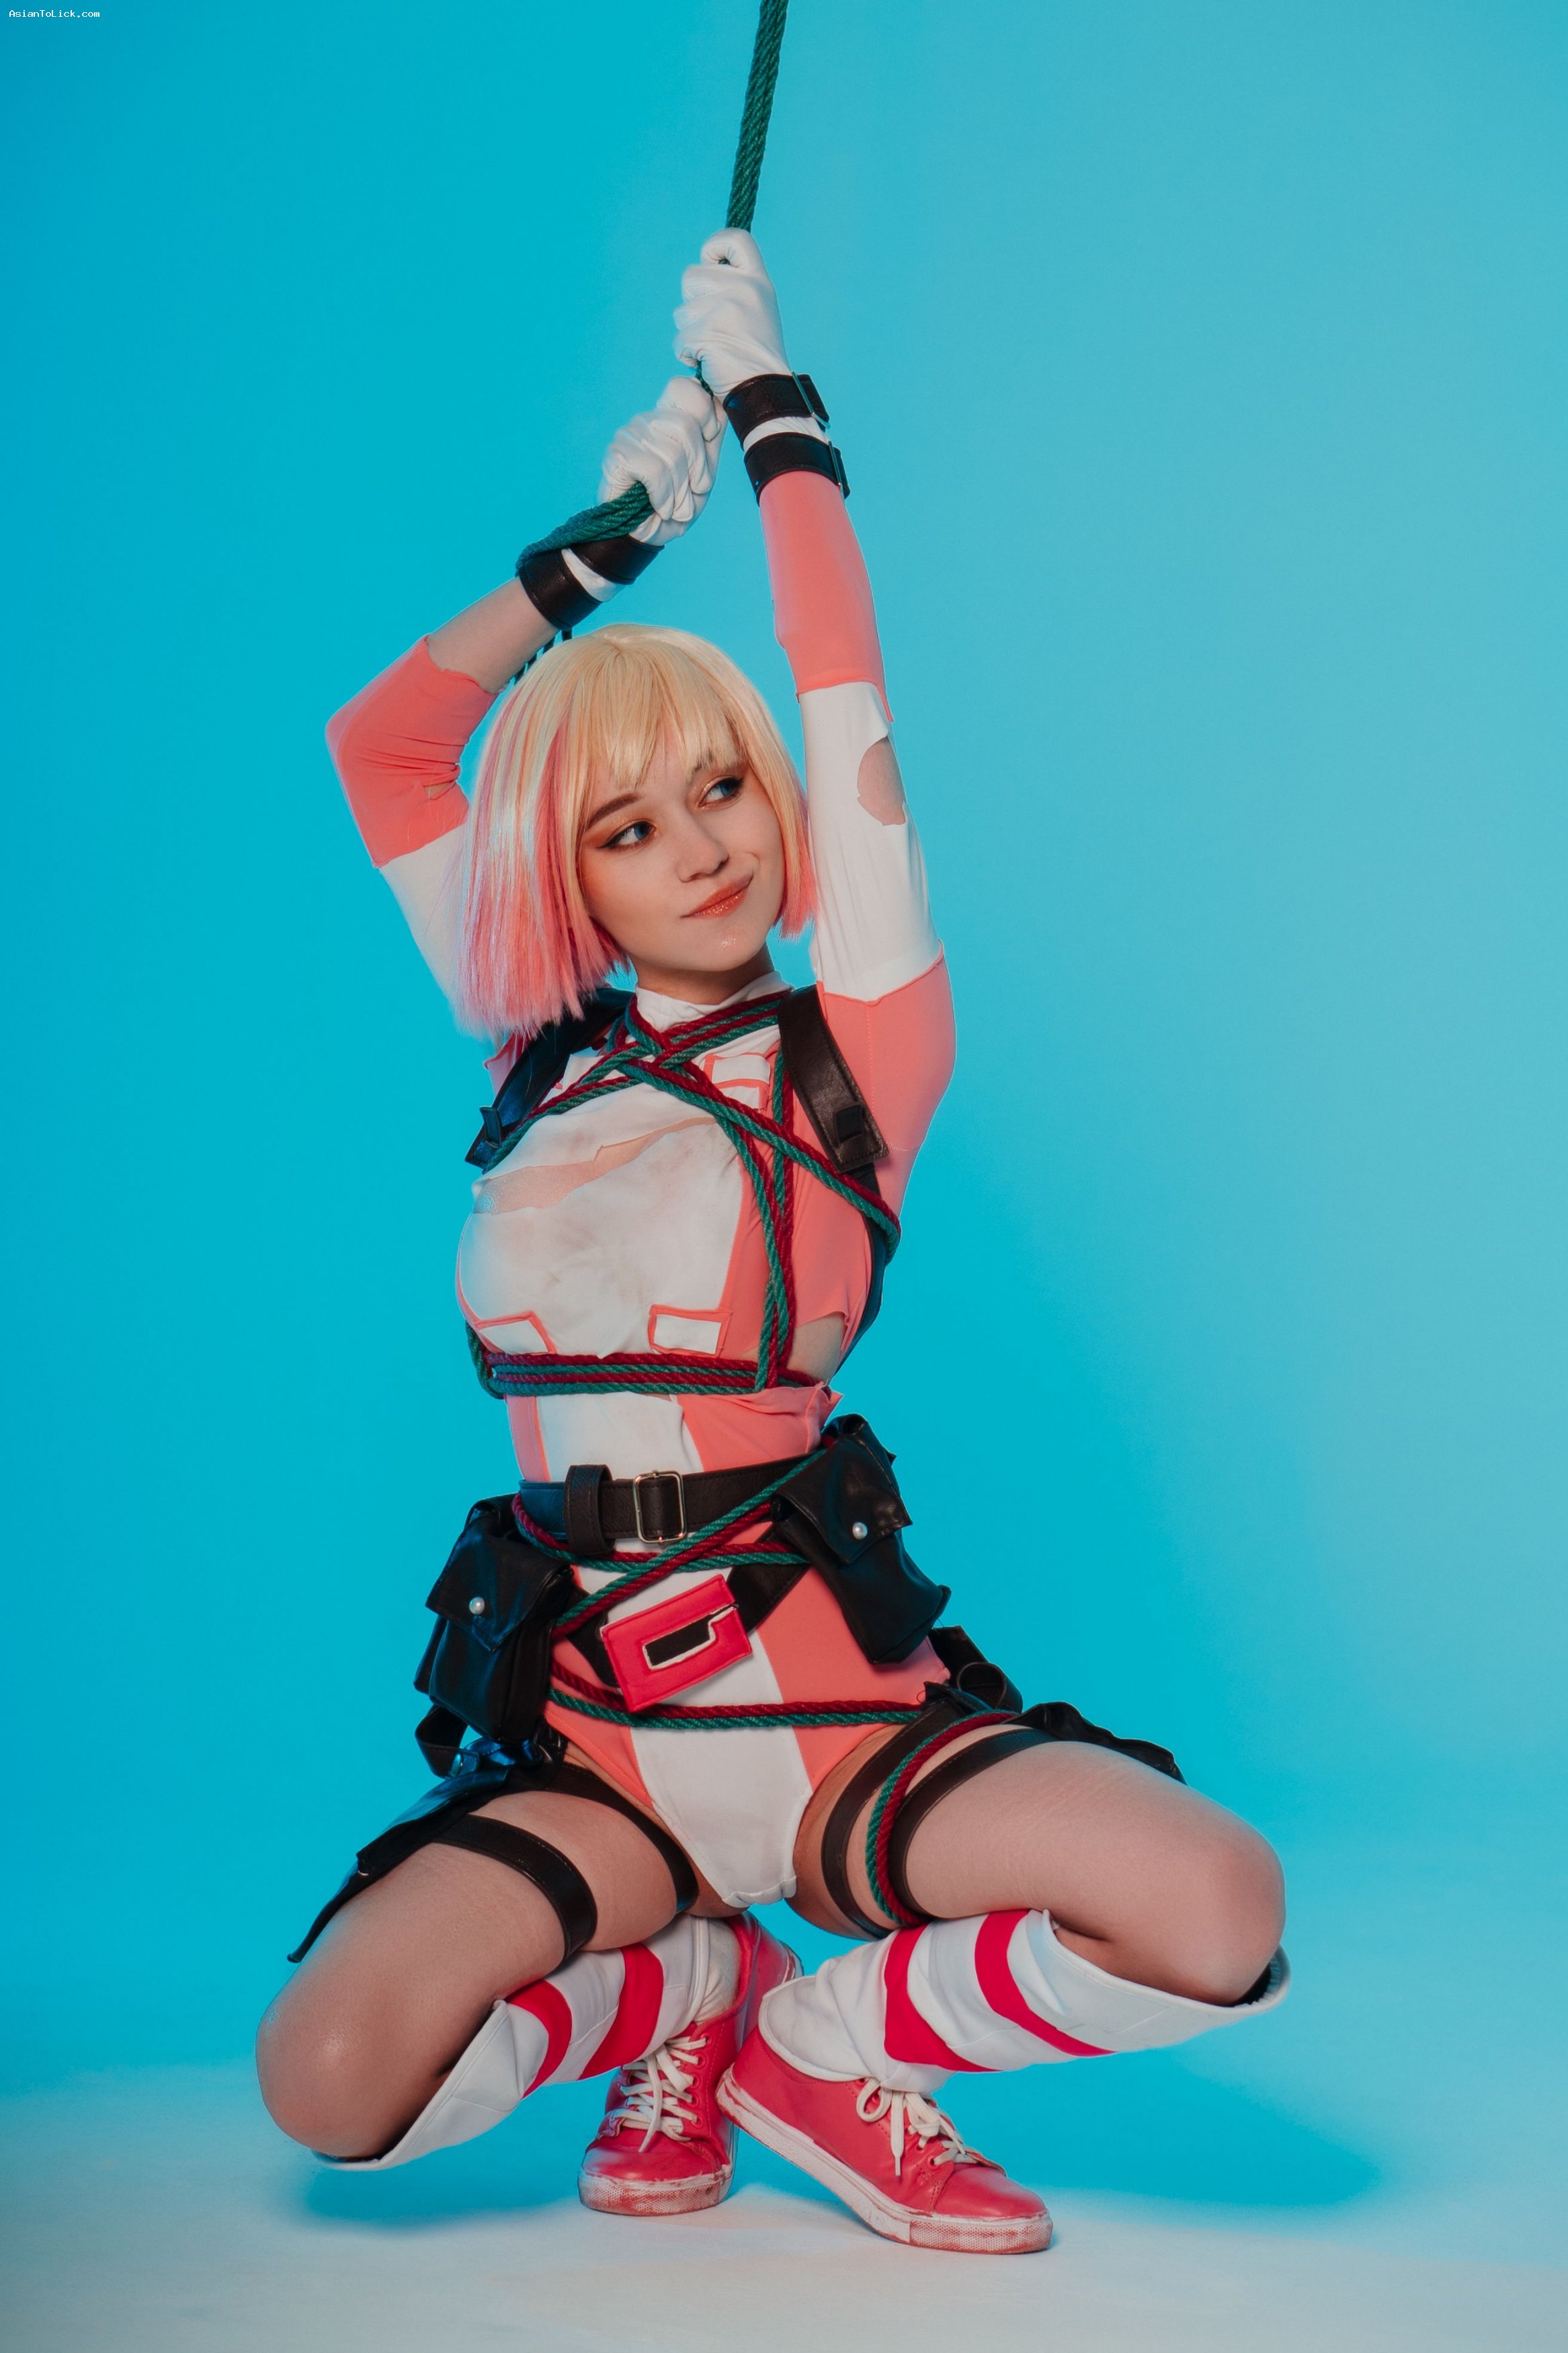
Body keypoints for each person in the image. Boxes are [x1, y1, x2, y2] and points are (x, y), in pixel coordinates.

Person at [255, 232, 1287, 2256]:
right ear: (568, 875)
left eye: (722, 787)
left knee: (1216, 1905)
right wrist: (602, 550)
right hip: (601, 1743)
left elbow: (843, 687)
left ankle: (822, 2045)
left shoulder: (863, 1043)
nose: (705, 845)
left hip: (836, 1720)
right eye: (628, 826)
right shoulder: (534, 1043)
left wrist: (776, 426)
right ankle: (684, 1995)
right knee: (334, 2078)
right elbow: (380, 748)